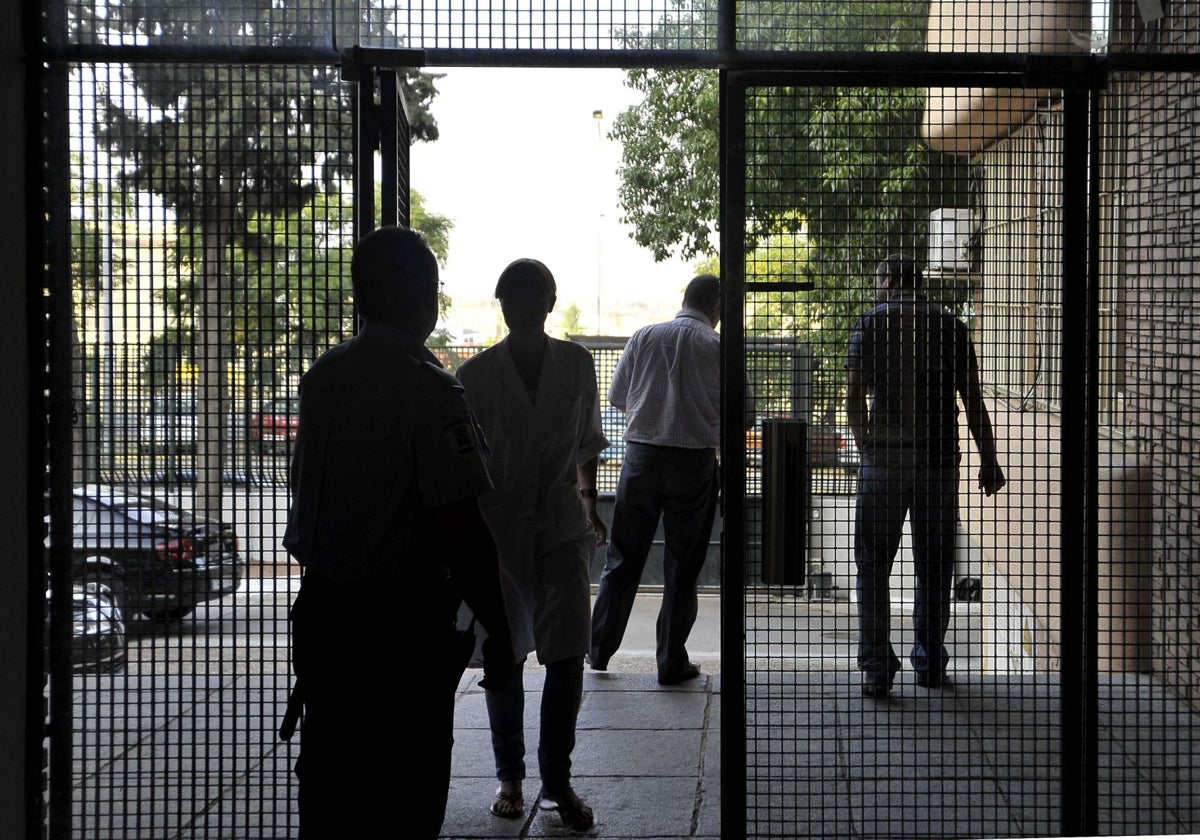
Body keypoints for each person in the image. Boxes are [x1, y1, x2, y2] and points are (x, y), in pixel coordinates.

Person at [280, 225, 515, 839]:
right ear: (424, 298)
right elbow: (463, 527)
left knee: (331, 787)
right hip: (400, 630)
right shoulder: (429, 388)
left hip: (327, 617)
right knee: (405, 794)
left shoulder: (323, 376)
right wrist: (498, 631)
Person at [455, 258, 606, 832]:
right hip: (498, 533)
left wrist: (589, 506)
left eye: (533, 297)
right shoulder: (474, 377)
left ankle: (557, 781)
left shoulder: (577, 364)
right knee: (504, 655)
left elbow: (587, 441)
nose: (523, 307)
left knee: (566, 654)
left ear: (548, 303)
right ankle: (510, 777)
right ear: (502, 306)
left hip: (562, 527)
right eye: (514, 299)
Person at [845, 253, 1006, 698]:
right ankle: (930, 660)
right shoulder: (951, 326)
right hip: (938, 465)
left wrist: (866, 447)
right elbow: (972, 398)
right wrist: (988, 459)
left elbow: (855, 393)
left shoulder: (870, 323)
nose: (875, 287)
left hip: (885, 464)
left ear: (893, 279)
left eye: (877, 278)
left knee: (873, 566)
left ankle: (877, 667)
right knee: (934, 568)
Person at [589, 274, 722, 686]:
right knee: (682, 567)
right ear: (716, 308)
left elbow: (617, 396)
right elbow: (743, 410)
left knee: (622, 559)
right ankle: (670, 663)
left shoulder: (645, 335)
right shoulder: (717, 347)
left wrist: (654, 407)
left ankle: (598, 652)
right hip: (694, 465)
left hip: (641, 459)